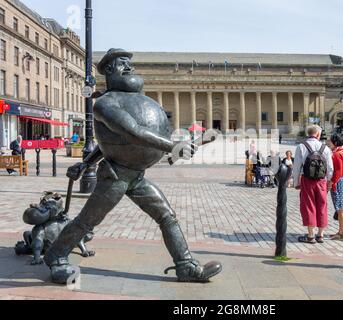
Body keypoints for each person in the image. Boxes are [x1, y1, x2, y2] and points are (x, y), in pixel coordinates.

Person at [43, 49, 221, 284]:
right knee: (87, 221)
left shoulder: (124, 99)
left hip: (135, 175)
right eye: (122, 63)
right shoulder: (105, 104)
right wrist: (173, 146)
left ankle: (185, 266)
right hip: (116, 176)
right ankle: (56, 256)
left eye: (130, 63)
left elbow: (108, 143)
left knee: (167, 216)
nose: (129, 67)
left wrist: (86, 162)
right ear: (108, 70)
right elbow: (131, 132)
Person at [293, 125, 334, 244]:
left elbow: (296, 167)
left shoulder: (301, 146)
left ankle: (310, 235)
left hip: (307, 180)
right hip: (321, 181)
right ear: (318, 134)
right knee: (322, 206)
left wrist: (296, 182)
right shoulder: (325, 148)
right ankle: (320, 234)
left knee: (308, 206)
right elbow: (330, 168)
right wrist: (328, 181)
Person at [328, 134, 343, 241]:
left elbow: (337, 171)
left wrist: (331, 182)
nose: (328, 143)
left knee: (340, 209)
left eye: (330, 142)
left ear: (335, 143)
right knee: (341, 208)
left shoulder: (336, 154)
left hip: (338, 182)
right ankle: (341, 231)